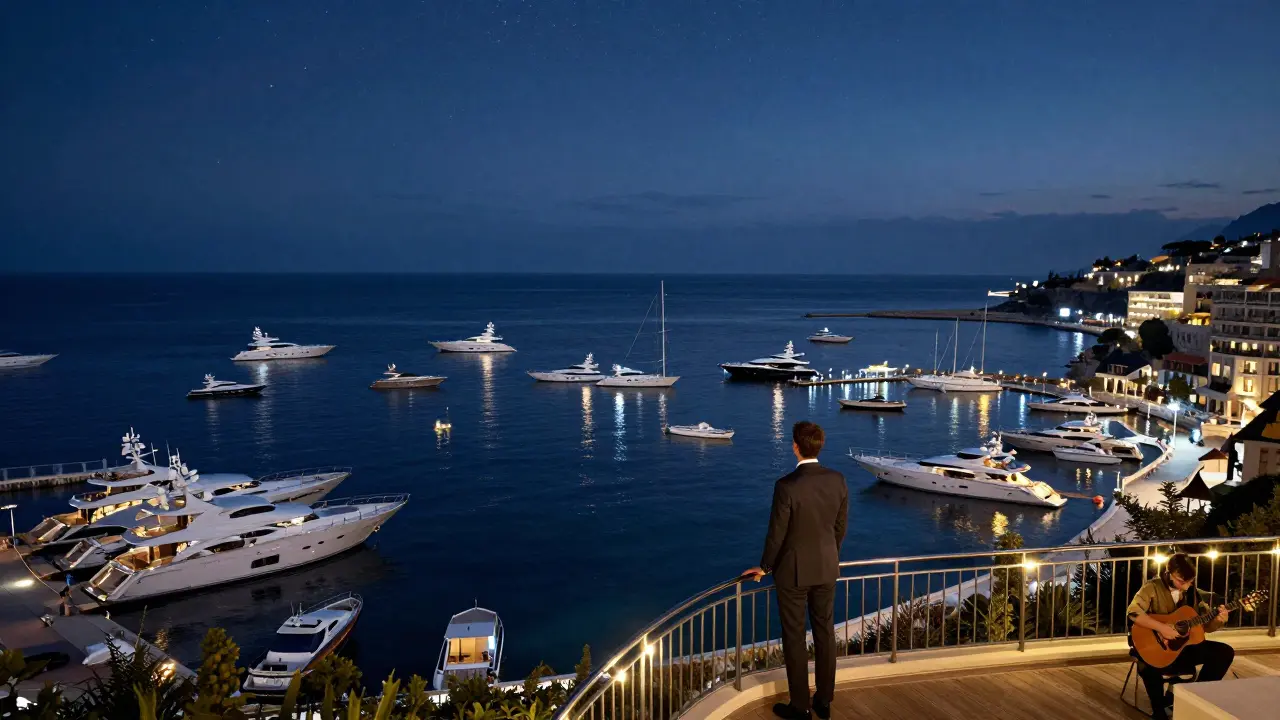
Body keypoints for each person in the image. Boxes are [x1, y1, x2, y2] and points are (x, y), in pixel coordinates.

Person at [744, 421, 848, 720]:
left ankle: (800, 706)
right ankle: (824, 701)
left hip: (793, 573)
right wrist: (829, 555)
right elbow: (839, 528)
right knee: (825, 633)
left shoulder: (786, 486)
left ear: (795, 446)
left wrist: (765, 567)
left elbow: (776, 535)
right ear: (820, 445)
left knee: (794, 637)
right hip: (827, 568)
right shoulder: (838, 480)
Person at [1127, 553, 1234, 719]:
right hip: (1154, 648)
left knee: (1224, 652)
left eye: (1189, 582)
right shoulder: (1151, 587)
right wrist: (1162, 628)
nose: (1186, 586)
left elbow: (1205, 626)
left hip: (1183, 648)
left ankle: (1196, 698)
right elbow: (1133, 612)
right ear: (1169, 573)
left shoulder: (1192, 593)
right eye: (1181, 581)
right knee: (1148, 666)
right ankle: (1159, 711)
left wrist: (1219, 620)